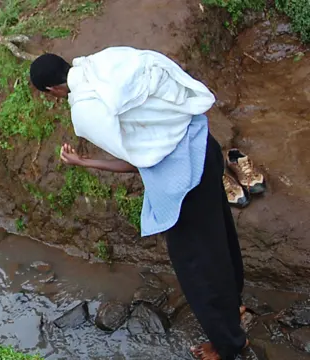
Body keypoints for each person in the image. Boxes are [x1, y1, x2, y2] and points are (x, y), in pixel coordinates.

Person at [30, 48, 248, 360]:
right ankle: (234, 305)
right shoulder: (105, 61)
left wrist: (83, 161)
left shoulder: (85, 110)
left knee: (197, 265)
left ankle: (228, 344)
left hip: (185, 183)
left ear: (52, 90)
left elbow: (139, 161)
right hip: (204, 148)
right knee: (219, 235)